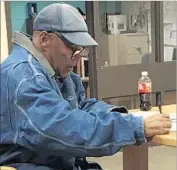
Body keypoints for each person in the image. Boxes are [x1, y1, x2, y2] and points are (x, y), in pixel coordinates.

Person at [0, 3, 172, 170]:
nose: (78, 57)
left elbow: (82, 107)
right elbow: (66, 129)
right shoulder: (25, 77)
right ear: (45, 39)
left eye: (81, 49)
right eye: (73, 48)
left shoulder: (56, 71)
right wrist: (134, 128)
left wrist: (124, 117)